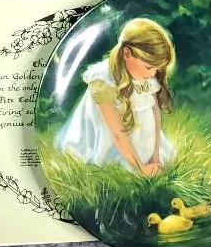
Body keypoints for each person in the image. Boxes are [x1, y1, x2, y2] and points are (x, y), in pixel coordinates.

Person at [56, 18, 176, 176]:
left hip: (141, 142)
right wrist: (141, 169)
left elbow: (155, 116)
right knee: (117, 170)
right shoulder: (103, 79)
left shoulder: (146, 79)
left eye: (156, 69)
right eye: (149, 67)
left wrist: (155, 158)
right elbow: (117, 133)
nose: (153, 74)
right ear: (127, 54)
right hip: (110, 144)